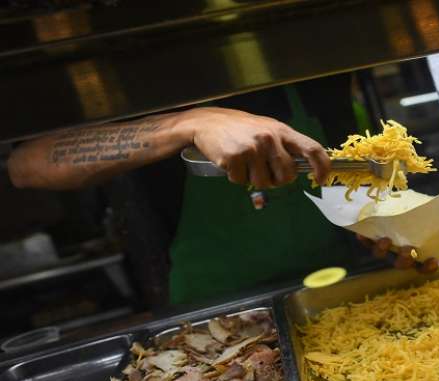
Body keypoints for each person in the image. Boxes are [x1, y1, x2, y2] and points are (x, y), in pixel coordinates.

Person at [7, 78, 370, 305]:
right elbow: (26, 163)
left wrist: (385, 227)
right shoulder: (122, 61)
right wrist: (189, 123)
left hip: (342, 287)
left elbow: (353, 169)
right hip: (211, 311)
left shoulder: (309, 47)